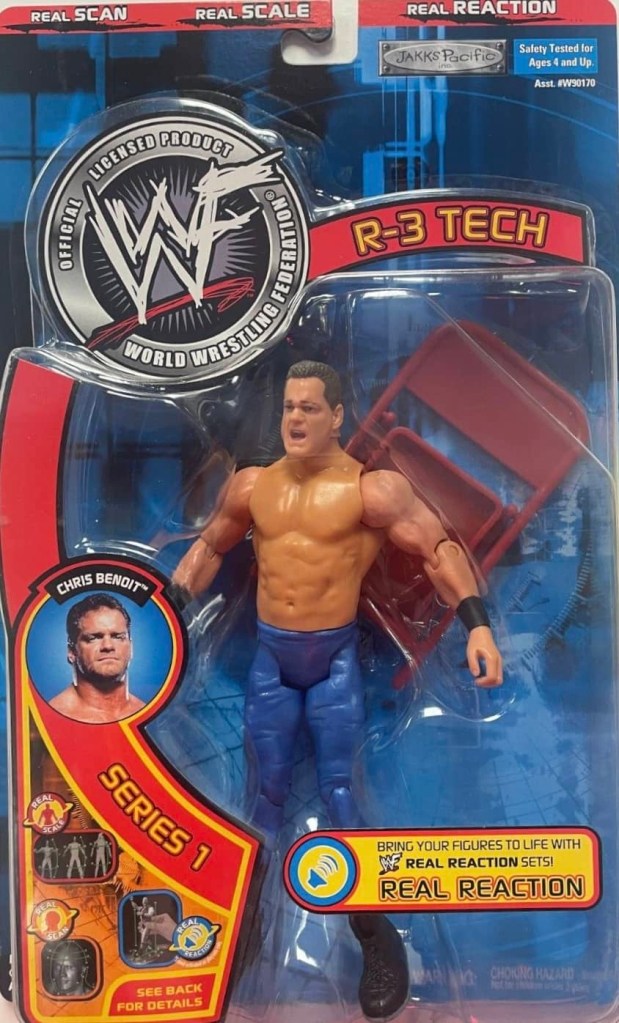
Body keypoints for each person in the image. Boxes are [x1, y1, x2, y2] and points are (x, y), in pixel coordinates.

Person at [171, 360, 502, 1021]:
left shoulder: (370, 491)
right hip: (271, 660)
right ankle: (238, 933)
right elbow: (207, 550)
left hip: (333, 662)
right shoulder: (253, 486)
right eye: (289, 407)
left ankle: (376, 939)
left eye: (310, 408)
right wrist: (158, 617)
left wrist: (478, 627)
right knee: (261, 803)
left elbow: (438, 551)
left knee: (342, 796)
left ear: (338, 415)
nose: (295, 418)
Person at [49, 594, 143, 724]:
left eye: (118, 637)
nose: (108, 646)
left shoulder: (146, 712)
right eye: (93, 638)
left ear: (131, 647)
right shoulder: (52, 717)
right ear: (72, 652)